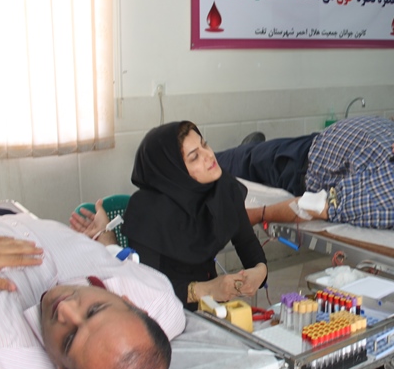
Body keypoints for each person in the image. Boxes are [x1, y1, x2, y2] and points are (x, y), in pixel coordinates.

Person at [0, 163, 185, 369]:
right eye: (94, 310)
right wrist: (106, 240)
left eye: (69, 339)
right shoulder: (159, 299)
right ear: (130, 301)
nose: (65, 309)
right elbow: (125, 265)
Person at [73, 121, 267, 310]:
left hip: (209, 306)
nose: (209, 155)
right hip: (164, 310)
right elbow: (147, 289)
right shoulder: (147, 212)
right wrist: (206, 290)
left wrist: (259, 271)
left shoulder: (222, 188)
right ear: (174, 172)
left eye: (205, 144)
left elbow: (247, 243)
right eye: (194, 157)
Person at [219, 115, 394, 235]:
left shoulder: (393, 204)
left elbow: (316, 205)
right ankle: (249, 151)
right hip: (320, 142)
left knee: (231, 163)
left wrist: (258, 214)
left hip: (301, 164)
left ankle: (207, 162)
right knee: (252, 156)